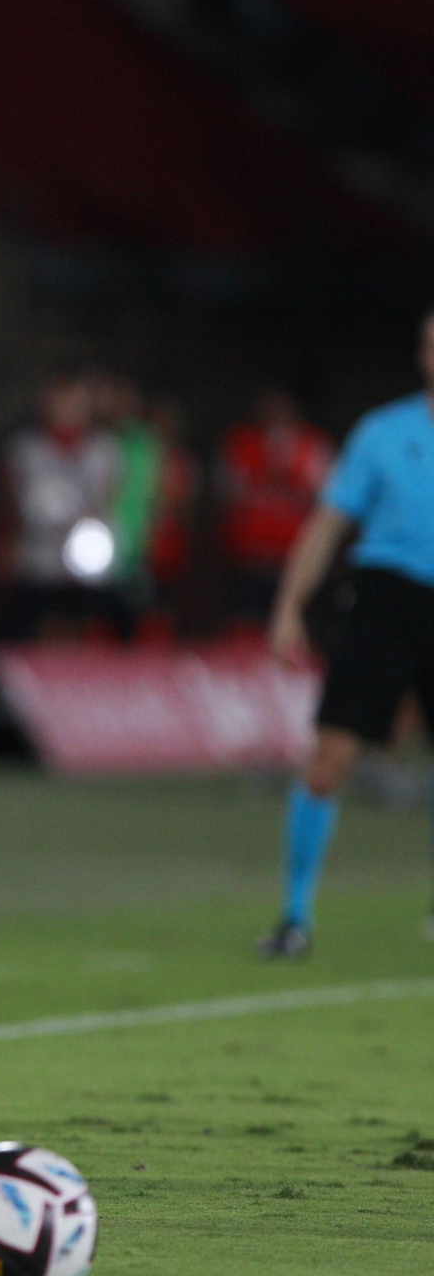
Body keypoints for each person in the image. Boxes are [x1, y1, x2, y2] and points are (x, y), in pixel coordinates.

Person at [259, 309, 434, 958]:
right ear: (422, 354)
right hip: (386, 597)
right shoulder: (384, 434)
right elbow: (327, 525)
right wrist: (289, 605)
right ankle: (294, 915)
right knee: (331, 757)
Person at [0, 371, 127, 642]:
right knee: (37, 628)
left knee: (86, 626)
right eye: (59, 401)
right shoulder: (24, 448)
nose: (65, 409)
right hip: (38, 555)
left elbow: (109, 498)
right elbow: (10, 502)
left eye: (72, 402)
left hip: (85, 558)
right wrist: (6, 542)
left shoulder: (104, 449)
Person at [218, 389, 333, 625]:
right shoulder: (243, 444)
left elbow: (329, 500)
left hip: (295, 555)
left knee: (294, 619)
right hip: (249, 554)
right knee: (246, 620)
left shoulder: (312, 446)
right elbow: (226, 493)